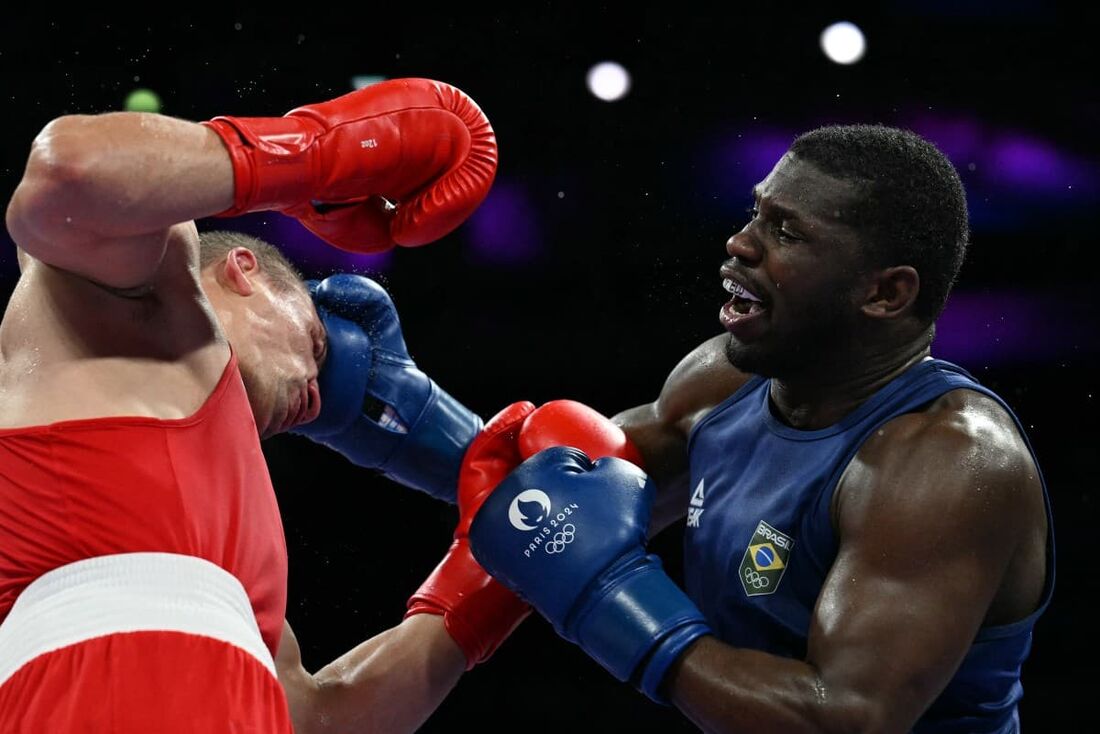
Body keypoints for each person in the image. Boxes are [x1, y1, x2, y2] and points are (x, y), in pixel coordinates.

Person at [459, 125, 1053, 733]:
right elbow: (555, 484)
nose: (740, 242)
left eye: (786, 232)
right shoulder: (725, 379)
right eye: (756, 213)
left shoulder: (948, 461)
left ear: (885, 292)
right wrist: (397, 410)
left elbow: (842, 720)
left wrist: (608, 600)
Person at [0, 77, 518, 733]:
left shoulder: (230, 554)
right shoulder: (110, 310)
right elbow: (69, 175)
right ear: (242, 270)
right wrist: (312, 156)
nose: (314, 389)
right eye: (314, 342)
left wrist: (490, 571)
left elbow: (319, 717)